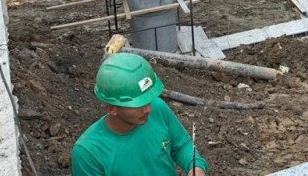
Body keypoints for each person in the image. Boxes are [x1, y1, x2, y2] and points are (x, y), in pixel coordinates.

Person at [72, 53, 209, 175]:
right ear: (111, 109)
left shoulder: (157, 107)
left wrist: (196, 168)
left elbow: (182, 145)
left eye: (148, 99)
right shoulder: (88, 152)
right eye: (138, 104)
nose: (148, 109)